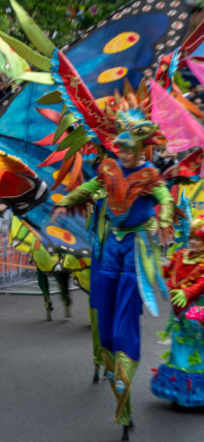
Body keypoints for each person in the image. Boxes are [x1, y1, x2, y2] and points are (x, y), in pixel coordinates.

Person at [52, 143, 174, 439]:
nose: (125, 153)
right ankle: (109, 367)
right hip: (108, 248)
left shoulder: (149, 174)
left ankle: (122, 372)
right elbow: (88, 188)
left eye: (130, 148)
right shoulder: (108, 169)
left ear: (141, 147)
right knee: (103, 322)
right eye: (121, 147)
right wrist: (65, 202)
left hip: (136, 245)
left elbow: (164, 198)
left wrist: (165, 220)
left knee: (124, 326)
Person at [151, 219, 204, 407]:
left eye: (199, 239)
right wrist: (150, 266)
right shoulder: (180, 255)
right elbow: (167, 271)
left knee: (195, 350)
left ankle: (195, 393)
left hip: (197, 313)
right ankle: (179, 390)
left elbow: (201, 284)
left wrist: (187, 292)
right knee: (178, 348)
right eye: (192, 238)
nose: (194, 242)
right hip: (179, 313)